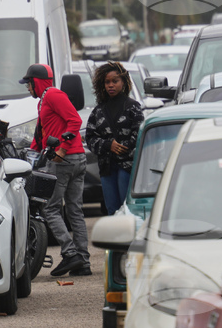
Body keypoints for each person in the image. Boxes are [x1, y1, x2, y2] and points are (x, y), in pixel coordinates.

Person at [20, 63, 91, 277]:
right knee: (74, 210)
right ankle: (83, 262)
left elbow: (75, 120)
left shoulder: (53, 95)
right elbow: (41, 135)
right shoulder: (44, 101)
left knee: (50, 209)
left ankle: (71, 254)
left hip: (65, 160)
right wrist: (30, 154)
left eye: (28, 84)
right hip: (75, 158)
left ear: (37, 82)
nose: (27, 89)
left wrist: (62, 148)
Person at [85, 61, 144, 215]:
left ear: (123, 82)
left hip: (127, 167)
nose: (111, 85)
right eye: (107, 82)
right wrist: (107, 145)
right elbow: (90, 138)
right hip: (106, 168)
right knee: (112, 210)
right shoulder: (98, 111)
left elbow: (139, 134)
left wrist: (123, 148)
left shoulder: (133, 107)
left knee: (127, 210)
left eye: (115, 81)